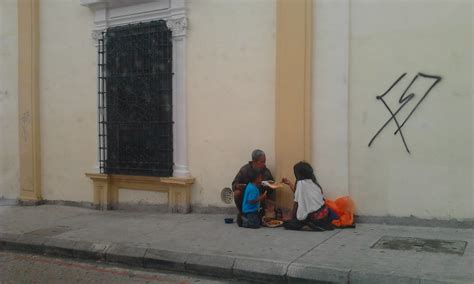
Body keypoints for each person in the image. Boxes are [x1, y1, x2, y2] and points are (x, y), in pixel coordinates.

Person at [281, 161, 334, 231]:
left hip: (315, 219)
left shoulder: (300, 183)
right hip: (325, 216)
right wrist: (289, 183)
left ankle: (309, 226)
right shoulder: (313, 182)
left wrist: (291, 218)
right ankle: (318, 225)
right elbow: (299, 194)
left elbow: (296, 203)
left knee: (287, 224)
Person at [232, 149, 274, 225]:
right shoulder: (244, 170)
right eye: (262, 162)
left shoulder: (265, 171)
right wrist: (238, 186)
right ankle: (242, 214)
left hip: (259, 196)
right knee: (237, 193)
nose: (264, 164)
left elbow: (271, 185)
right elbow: (234, 184)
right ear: (254, 161)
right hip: (247, 197)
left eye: (264, 161)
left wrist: (268, 186)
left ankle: (259, 214)